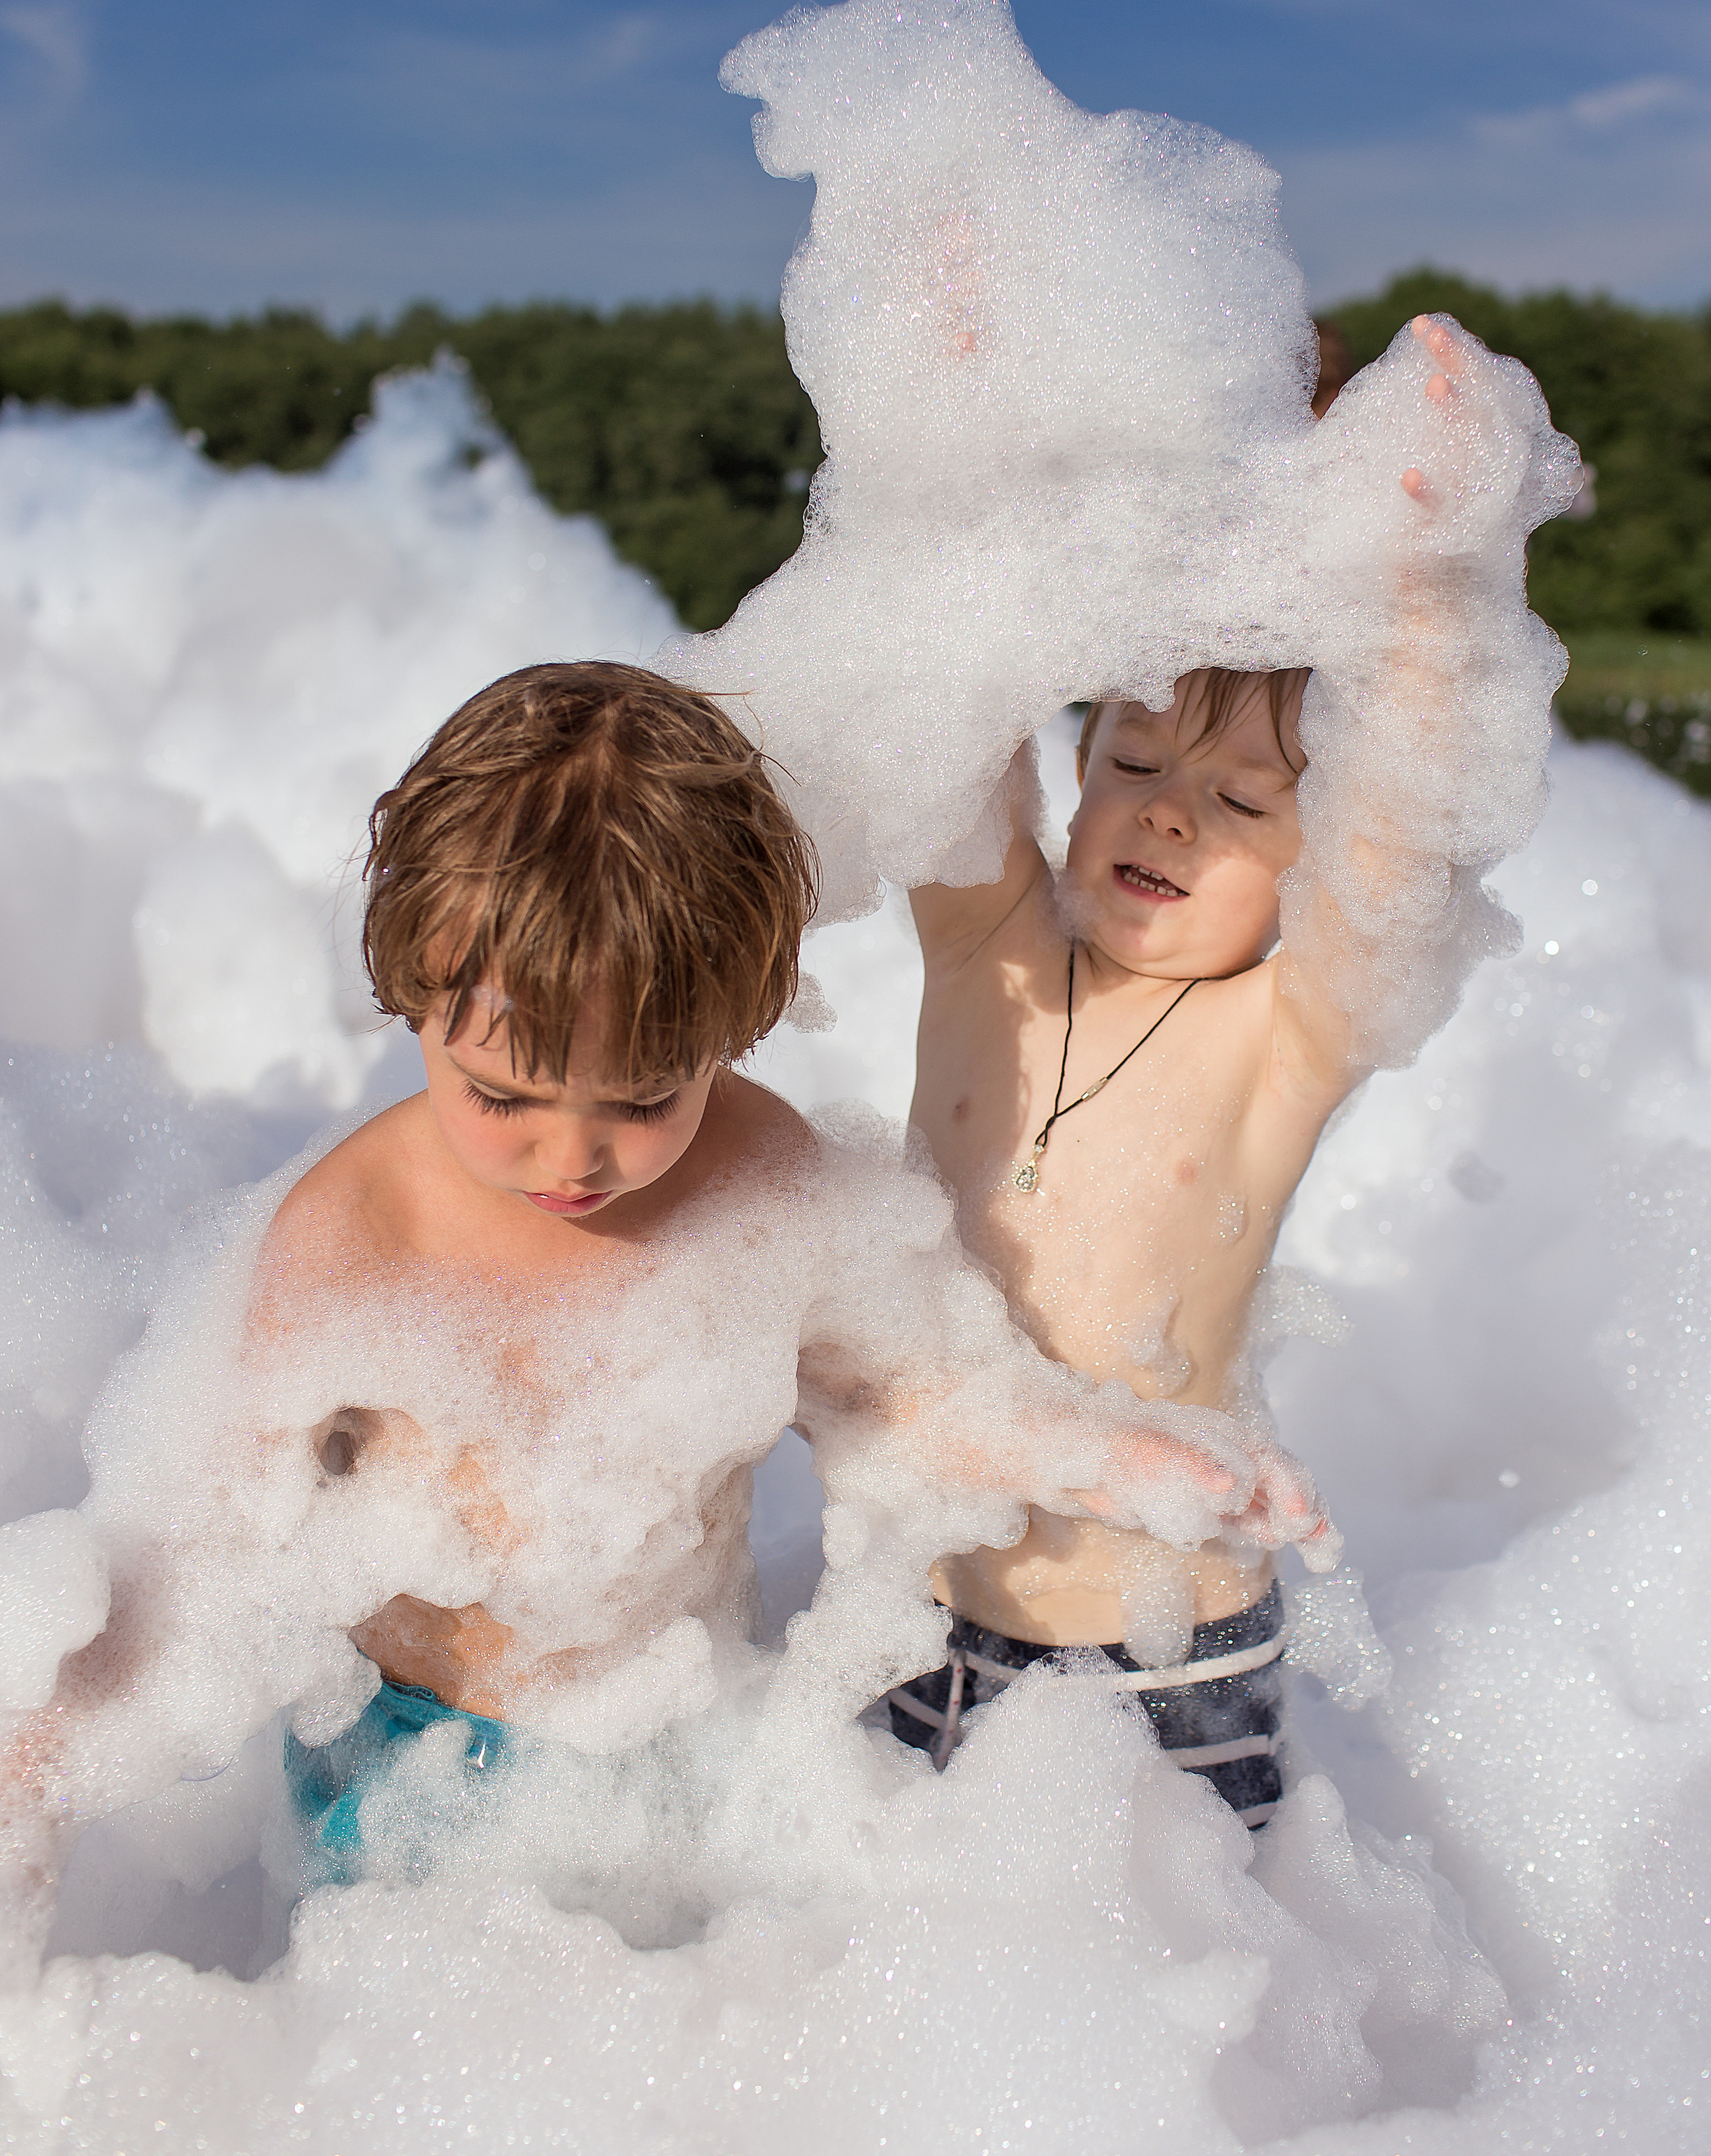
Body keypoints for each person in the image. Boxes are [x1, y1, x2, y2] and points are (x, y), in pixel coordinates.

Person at [1, 664, 1329, 1939]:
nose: (573, 1154)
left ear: (732, 1026)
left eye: (645, 1099)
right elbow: (198, 1557)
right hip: (415, 1790)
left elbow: (904, 1398)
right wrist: (50, 1750)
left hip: (686, 1754)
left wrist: (1115, 1454)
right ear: (415, 996)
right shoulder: (353, 1246)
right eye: (503, 1095)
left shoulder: (761, 1182)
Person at [884, 315, 1508, 1825]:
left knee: (1173, 1955)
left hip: (1166, 1656)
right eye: (1134, 765)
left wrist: (1424, 577)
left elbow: (1403, 840)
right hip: (905, 1621)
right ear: (1079, 765)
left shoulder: (1281, 1038)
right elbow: (936, 719)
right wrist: (956, 432)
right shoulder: (987, 954)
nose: (1168, 815)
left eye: (1241, 801)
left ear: (1312, 851)